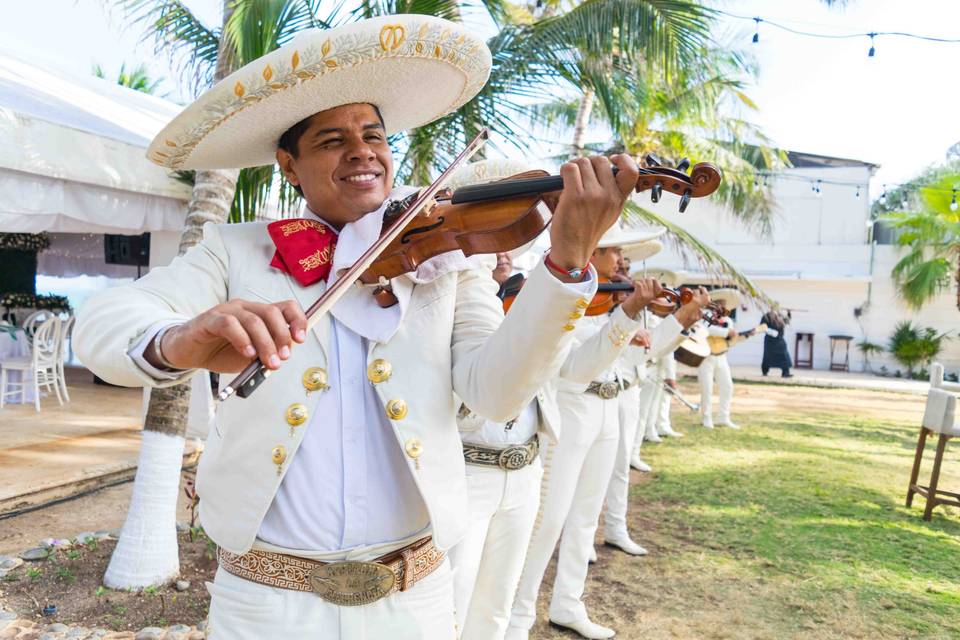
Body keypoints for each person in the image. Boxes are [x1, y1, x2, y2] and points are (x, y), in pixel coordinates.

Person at [73, 15, 643, 640]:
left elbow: (496, 393)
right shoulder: (234, 251)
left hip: (414, 597)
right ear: (288, 166)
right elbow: (105, 323)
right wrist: (180, 339)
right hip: (264, 599)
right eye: (330, 140)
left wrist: (566, 264)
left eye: (374, 134)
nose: (362, 150)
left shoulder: (447, 261)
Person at [506, 226, 709, 640]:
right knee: (548, 518)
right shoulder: (567, 297)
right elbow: (578, 366)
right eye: (613, 252)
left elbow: (642, 355)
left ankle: (568, 603)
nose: (621, 262)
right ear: (590, 251)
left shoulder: (616, 300)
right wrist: (627, 313)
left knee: (586, 516)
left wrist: (679, 322)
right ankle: (516, 618)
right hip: (571, 408)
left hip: (608, 408)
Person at [698, 288, 742, 430]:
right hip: (706, 357)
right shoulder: (704, 316)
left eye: (724, 304)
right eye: (719, 303)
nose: (722, 306)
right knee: (707, 388)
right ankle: (706, 418)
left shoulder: (727, 320)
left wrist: (728, 332)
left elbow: (730, 335)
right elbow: (707, 330)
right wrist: (725, 332)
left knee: (727, 386)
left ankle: (723, 417)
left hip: (722, 356)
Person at [761, 308, 793, 377]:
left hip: (779, 340)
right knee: (767, 357)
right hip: (770, 341)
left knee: (784, 356)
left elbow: (786, 322)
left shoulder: (780, 316)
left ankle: (785, 372)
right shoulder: (766, 316)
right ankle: (765, 371)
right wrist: (771, 332)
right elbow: (762, 327)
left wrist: (788, 314)